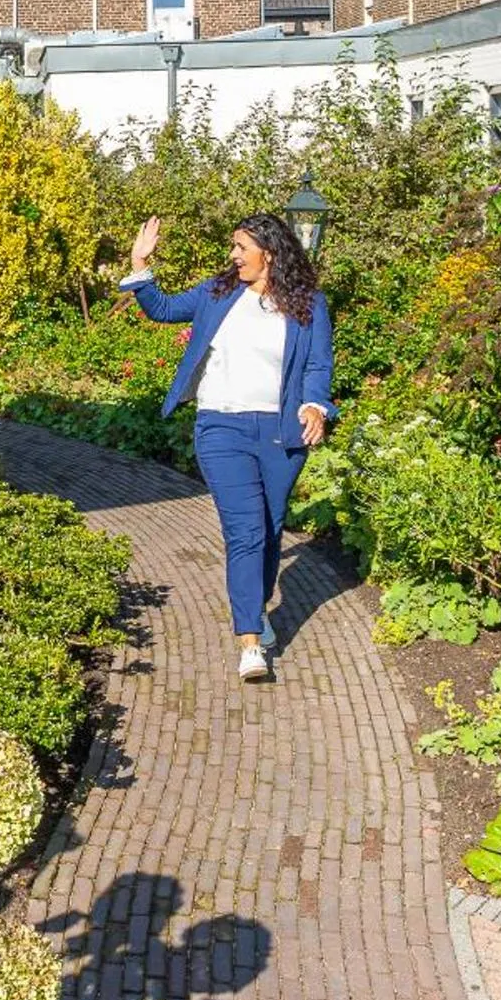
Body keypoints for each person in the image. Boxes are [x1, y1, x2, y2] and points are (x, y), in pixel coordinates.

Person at [123, 212, 334, 686]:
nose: (234, 255)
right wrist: (140, 264)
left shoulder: (307, 304)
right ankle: (249, 642)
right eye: (233, 246)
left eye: (242, 246)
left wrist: (316, 407)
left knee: (271, 528)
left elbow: (318, 365)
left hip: (281, 433)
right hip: (221, 426)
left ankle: (254, 608)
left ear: (270, 252)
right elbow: (160, 308)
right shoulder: (217, 292)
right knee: (245, 531)